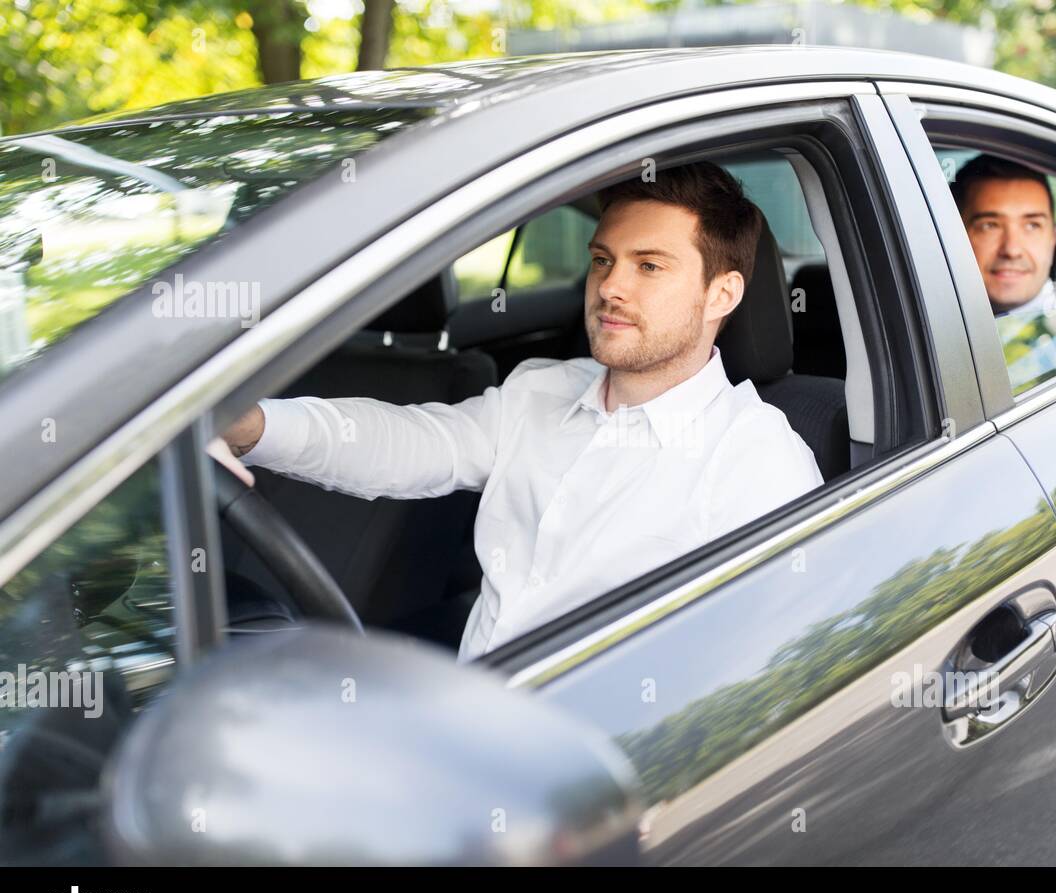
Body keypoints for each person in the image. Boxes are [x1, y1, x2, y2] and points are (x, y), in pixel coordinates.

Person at [219, 161, 823, 662]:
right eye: (603, 259)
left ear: (722, 294)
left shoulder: (756, 461)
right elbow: (408, 444)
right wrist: (253, 425)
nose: (610, 287)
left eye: (649, 266)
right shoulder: (540, 390)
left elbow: (778, 663)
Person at [951, 154, 1056, 389]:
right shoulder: (920, 330)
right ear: (953, 236)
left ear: (1053, 239)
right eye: (989, 226)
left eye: (1032, 225)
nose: (1012, 249)